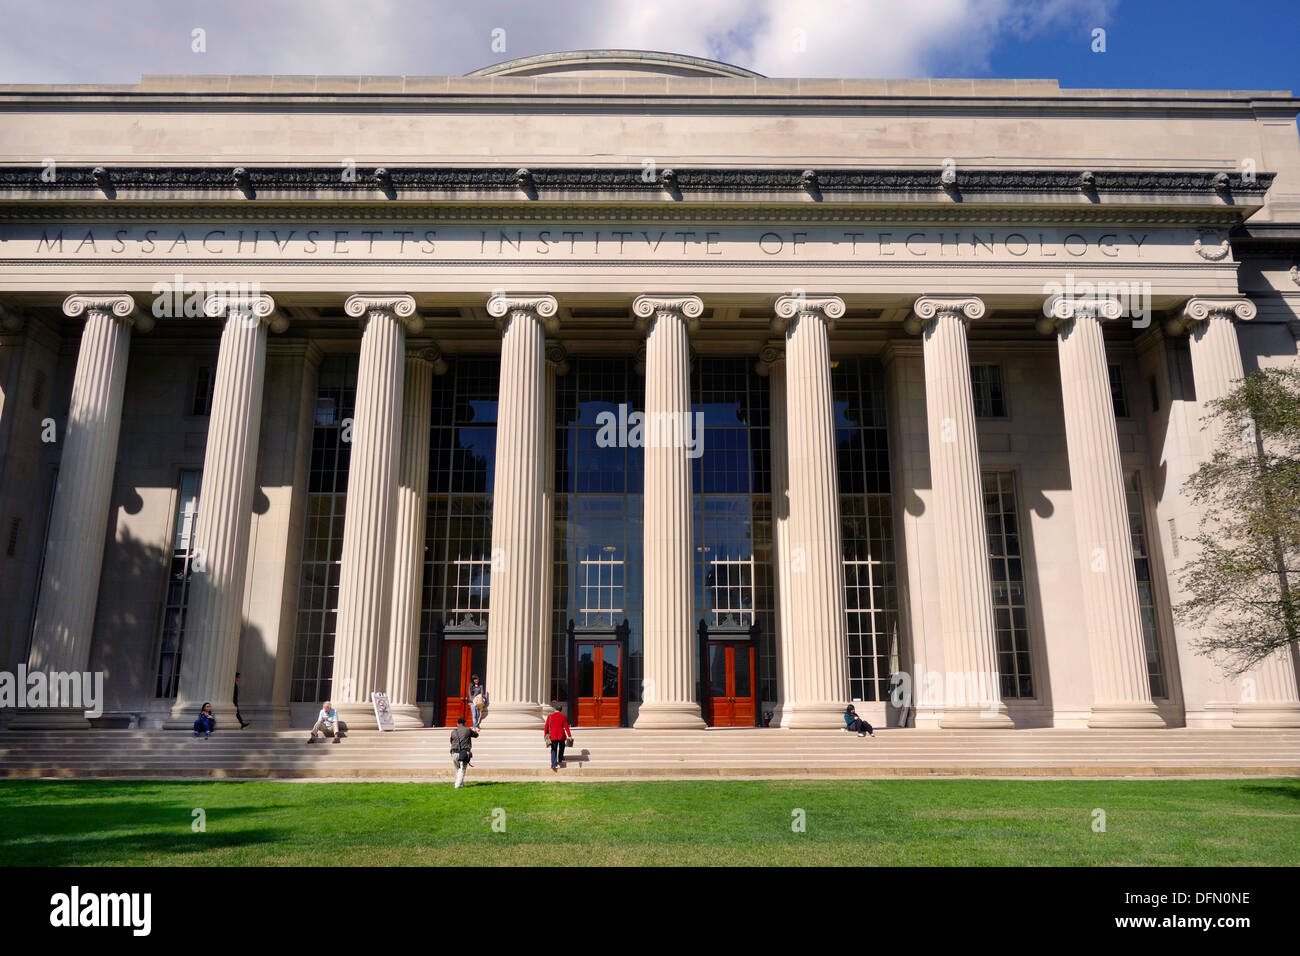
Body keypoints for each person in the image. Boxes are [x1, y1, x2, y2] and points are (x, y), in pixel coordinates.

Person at [543, 702, 573, 772]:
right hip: (561, 735)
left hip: (552, 735)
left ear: (555, 709)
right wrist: (569, 736)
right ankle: (560, 758)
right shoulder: (563, 716)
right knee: (562, 747)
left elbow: (546, 727)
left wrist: (545, 735)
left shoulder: (550, 716)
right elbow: (566, 727)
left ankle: (554, 764)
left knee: (554, 749)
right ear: (561, 710)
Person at [449, 717, 478, 788]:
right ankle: (457, 785)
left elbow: (451, 741)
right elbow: (476, 735)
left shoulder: (453, 731)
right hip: (464, 752)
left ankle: (460, 784)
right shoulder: (468, 730)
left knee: (457, 769)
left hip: (454, 752)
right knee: (462, 769)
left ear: (457, 723)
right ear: (465, 723)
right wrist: (475, 730)